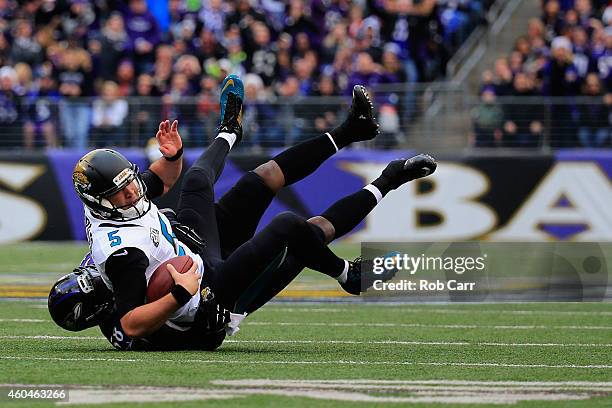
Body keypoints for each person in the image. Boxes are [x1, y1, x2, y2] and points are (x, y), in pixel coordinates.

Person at [48, 75, 437, 350]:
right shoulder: (121, 260)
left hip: (188, 248)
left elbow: (161, 179)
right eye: (121, 190)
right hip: (210, 296)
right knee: (301, 230)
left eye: (127, 183)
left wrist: (173, 156)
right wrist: (180, 295)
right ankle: (354, 267)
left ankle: (257, 129)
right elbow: (136, 325)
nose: (132, 191)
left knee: (212, 177)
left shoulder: (115, 209)